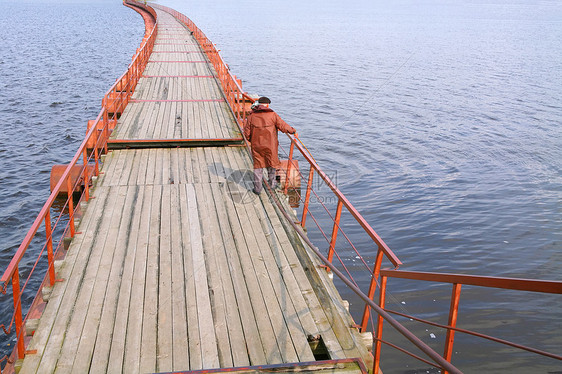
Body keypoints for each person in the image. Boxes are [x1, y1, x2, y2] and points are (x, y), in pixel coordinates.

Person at [244, 96, 296, 195]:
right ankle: (272, 185)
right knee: (271, 164)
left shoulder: (251, 116)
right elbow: (283, 126)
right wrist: (293, 131)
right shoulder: (273, 115)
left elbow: (246, 133)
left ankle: (257, 189)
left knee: (258, 167)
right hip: (271, 146)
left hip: (257, 146)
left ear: (258, 104)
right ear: (267, 105)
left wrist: (253, 140)